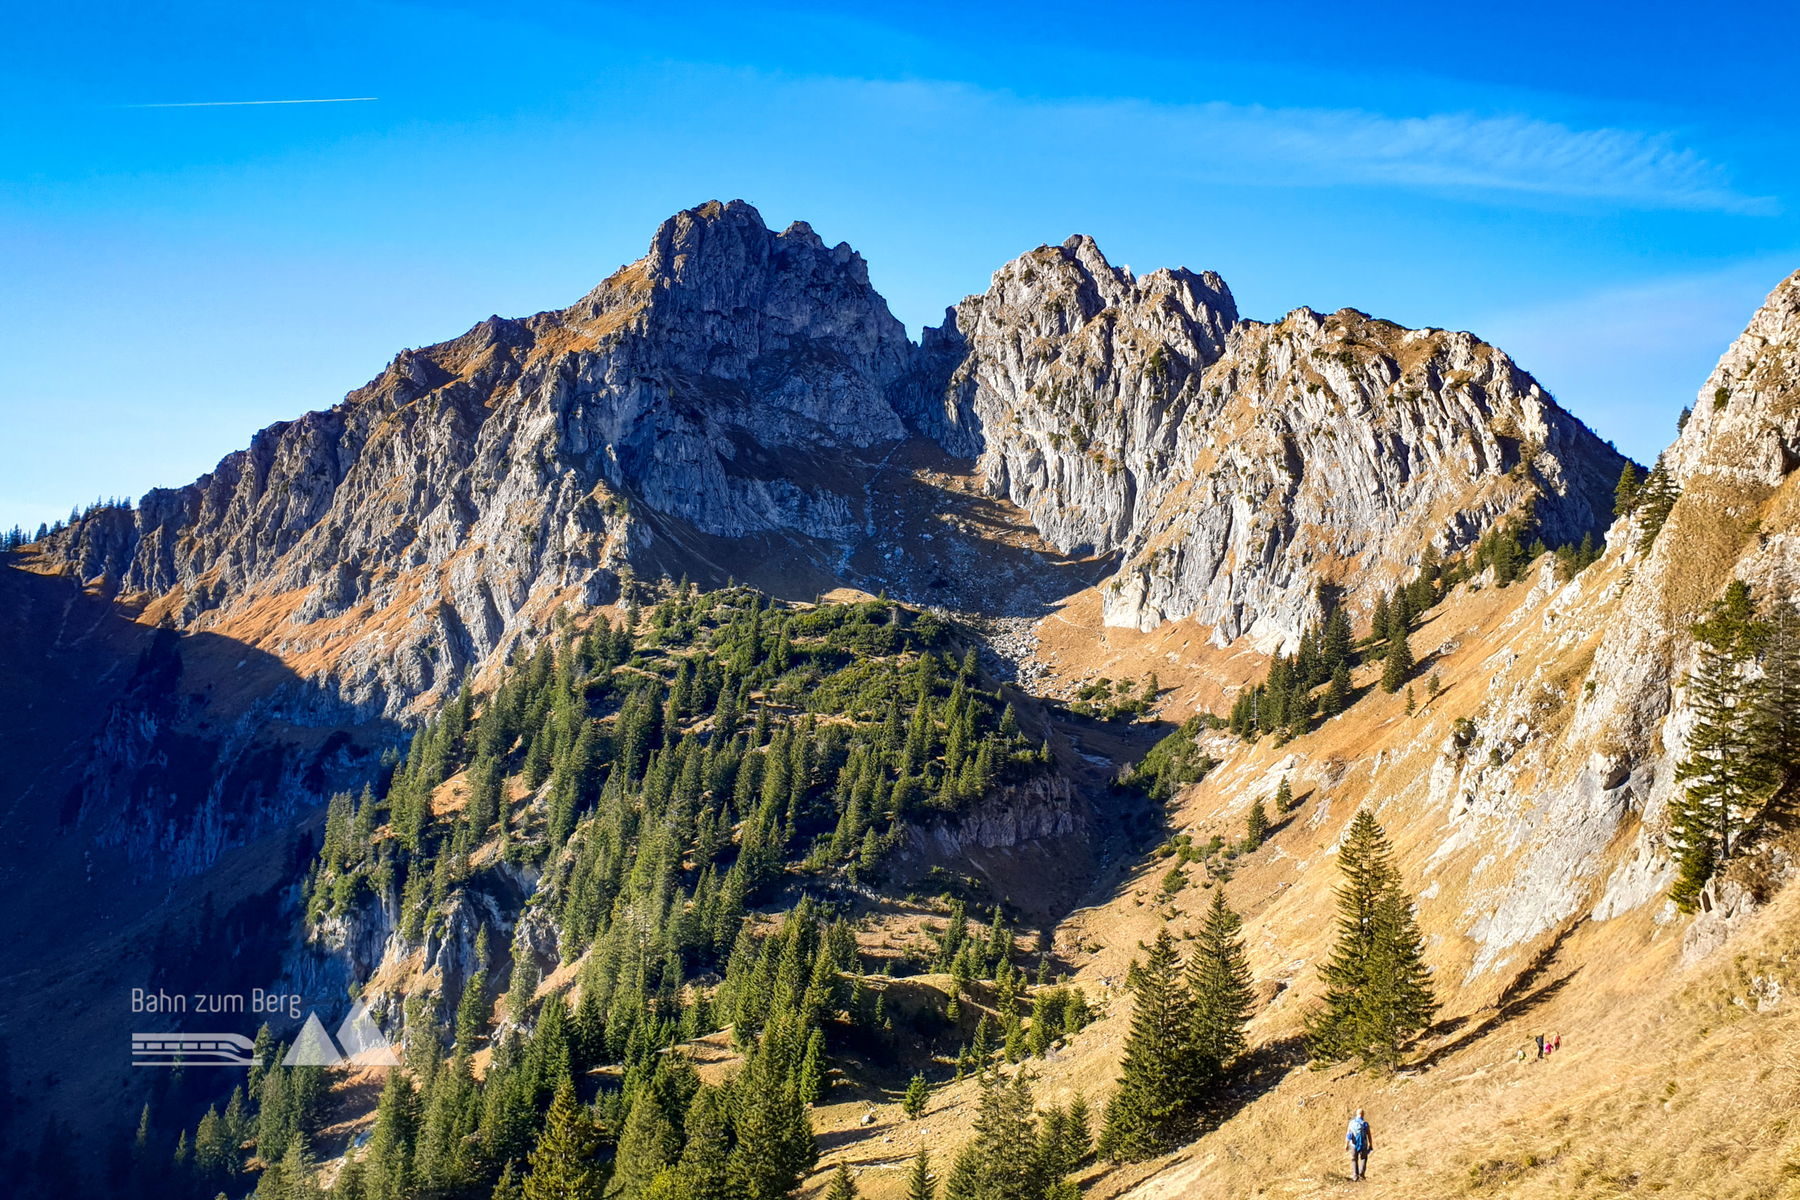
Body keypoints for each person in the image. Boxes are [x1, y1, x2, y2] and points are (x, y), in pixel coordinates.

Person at [1346, 1109, 1373, 1181]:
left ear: (1356, 1114)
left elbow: (1348, 1134)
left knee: (1354, 1159)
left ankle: (1355, 1176)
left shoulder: (1351, 1123)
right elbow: (1369, 1135)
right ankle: (1361, 1174)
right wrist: (1370, 1144)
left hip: (1353, 1145)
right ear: (1363, 1114)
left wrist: (1346, 1144)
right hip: (1363, 1144)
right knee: (1363, 1158)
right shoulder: (1365, 1124)